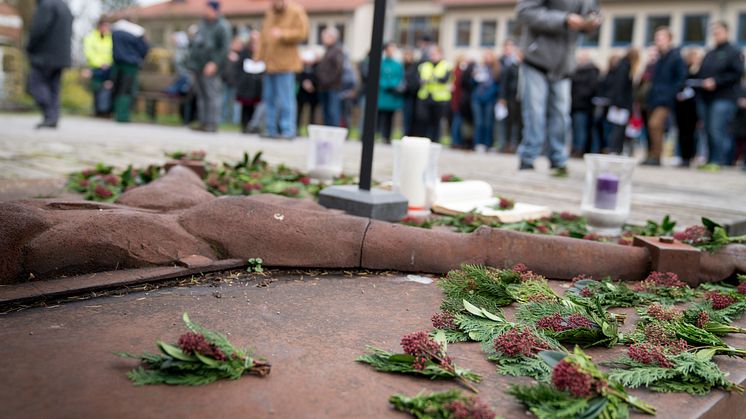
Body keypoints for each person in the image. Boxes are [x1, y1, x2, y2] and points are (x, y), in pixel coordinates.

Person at [515, 0, 602, 174]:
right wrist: (564, 19)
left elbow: (593, 15)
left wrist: (593, 21)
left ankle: (558, 159)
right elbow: (524, 11)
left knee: (562, 114)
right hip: (536, 60)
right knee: (535, 111)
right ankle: (528, 157)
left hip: (564, 65)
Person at [695, 21, 745, 169]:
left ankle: (719, 160)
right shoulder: (710, 53)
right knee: (708, 130)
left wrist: (716, 81)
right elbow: (702, 72)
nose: (716, 35)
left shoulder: (733, 52)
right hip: (707, 97)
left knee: (718, 129)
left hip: (724, 97)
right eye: (714, 33)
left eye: (718, 32)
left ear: (726, 32)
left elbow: (737, 74)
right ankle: (710, 159)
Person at [258, 0, 309, 139]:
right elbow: (263, 37)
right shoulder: (270, 13)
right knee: (269, 99)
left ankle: (288, 130)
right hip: (269, 64)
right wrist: (258, 57)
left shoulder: (296, 11)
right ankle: (270, 129)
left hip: (286, 64)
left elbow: (303, 33)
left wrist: (283, 34)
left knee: (286, 99)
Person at [25, 0, 73, 129]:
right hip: (61, 55)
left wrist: (29, 47)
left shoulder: (46, 5)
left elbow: (38, 29)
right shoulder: (64, 6)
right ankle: (53, 117)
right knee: (53, 87)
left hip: (45, 55)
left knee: (34, 85)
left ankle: (50, 114)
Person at [186, 1, 231, 133]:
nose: (204, 11)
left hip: (211, 66)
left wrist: (214, 63)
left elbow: (224, 48)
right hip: (198, 65)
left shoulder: (222, 26)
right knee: (201, 95)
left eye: (207, 9)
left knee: (212, 95)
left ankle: (212, 124)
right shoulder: (202, 24)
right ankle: (203, 122)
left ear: (214, 10)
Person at [643, 26, 686, 166]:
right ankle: (651, 155)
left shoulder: (675, 57)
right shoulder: (659, 59)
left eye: (660, 37)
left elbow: (681, 78)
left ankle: (656, 156)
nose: (657, 40)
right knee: (651, 127)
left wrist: (670, 94)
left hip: (664, 99)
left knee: (655, 124)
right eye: (656, 38)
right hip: (653, 98)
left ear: (669, 39)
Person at [111, 16, 149, 123]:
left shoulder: (115, 30)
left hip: (117, 63)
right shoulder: (137, 32)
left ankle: (117, 113)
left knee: (118, 88)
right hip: (131, 65)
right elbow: (144, 49)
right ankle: (123, 116)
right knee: (127, 90)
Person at [604, 48, 639, 155]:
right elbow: (619, 87)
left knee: (619, 128)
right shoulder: (624, 67)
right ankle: (615, 149)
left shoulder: (623, 66)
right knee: (618, 129)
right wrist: (619, 103)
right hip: (621, 104)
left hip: (621, 103)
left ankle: (616, 149)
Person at [416, 46, 452, 143]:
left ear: (441, 54)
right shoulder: (424, 65)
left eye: (435, 54)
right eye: (431, 54)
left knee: (436, 122)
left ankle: (435, 141)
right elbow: (420, 79)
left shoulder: (446, 65)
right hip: (425, 97)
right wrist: (433, 79)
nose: (433, 56)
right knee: (423, 120)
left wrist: (433, 78)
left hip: (440, 99)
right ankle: (424, 141)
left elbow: (444, 80)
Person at [675, 49, 702, 167]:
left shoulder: (700, 71)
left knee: (691, 133)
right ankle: (684, 156)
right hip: (682, 107)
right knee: (682, 132)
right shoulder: (683, 70)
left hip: (693, 107)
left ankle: (690, 156)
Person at [469, 51, 500, 153]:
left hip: (490, 99)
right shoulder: (479, 68)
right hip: (477, 98)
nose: (486, 59)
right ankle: (478, 143)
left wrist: (488, 95)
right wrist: (474, 76)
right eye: (485, 57)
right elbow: (472, 84)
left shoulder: (496, 70)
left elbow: (497, 86)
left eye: (488, 57)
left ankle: (488, 144)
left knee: (488, 122)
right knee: (478, 122)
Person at [570, 51, 599, 157]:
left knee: (580, 128)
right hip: (574, 105)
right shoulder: (576, 70)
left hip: (583, 106)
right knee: (575, 128)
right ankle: (575, 148)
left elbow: (591, 89)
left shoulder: (591, 72)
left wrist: (579, 97)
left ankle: (579, 149)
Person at [83, 18, 114, 117]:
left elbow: (113, 52)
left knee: (107, 88)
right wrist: (100, 63)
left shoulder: (110, 38)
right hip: (96, 67)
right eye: (105, 26)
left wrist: (108, 63)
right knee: (96, 88)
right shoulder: (91, 37)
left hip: (108, 67)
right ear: (100, 26)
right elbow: (89, 52)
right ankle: (97, 110)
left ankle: (105, 111)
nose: (106, 28)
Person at [236, 31, 264, 134]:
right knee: (246, 106)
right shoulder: (245, 53)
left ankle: (254, 126)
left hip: (258, 84)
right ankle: (245, 125)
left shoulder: (263, 52)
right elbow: (239, 67)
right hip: (246, 84)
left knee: (257, 107)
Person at [315, 27, 345, 127]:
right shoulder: (327, 51)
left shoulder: (337, 51)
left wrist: (326, 81)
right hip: (324, 87)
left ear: (333, 37)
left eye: (325, 36)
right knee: (326, 113)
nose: (323, 39)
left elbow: (338, 70)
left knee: (333, 112)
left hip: (332, 87)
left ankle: (334, 134)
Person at [498, 39, 522, 153]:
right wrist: (502, 97)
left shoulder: (525, 68)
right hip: (511, 97)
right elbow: (504, 83)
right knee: (509, 122)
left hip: (522, 98)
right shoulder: (510, 66)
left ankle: (517, 144)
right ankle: (506, 144)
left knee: (520, 123)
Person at [377, 42, 404, 144]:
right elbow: (379, 76)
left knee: (390, 117)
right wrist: (385, 84)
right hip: (383, 94)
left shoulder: (397, 65)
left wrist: (392, 85)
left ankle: (387, 136)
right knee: (381, 116)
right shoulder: (381, 63)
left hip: (392, 95)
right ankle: (380, 134)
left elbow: (399, 77)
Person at [402, 49, 420, 136]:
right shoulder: (402, 66)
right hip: (405, 95)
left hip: (413, 95)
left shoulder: (415, 66)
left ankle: (411, 133)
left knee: (412, 116)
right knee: (406, 116)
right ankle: (406, 133)